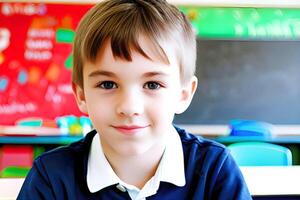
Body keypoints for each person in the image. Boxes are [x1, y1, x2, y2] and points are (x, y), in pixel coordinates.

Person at [18, 0, 251, 199]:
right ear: (81, 95)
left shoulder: (214, 169)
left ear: (183, 94)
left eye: (152, 84)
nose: (129, 107)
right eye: (107, 84)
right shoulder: (51, 176)